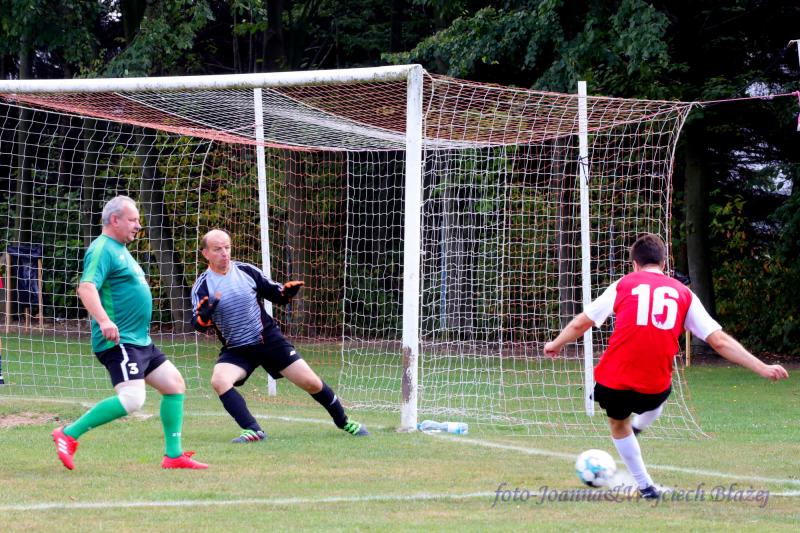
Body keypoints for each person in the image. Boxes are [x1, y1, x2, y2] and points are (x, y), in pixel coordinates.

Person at [544, 233, 788, 499]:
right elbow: (719, 341)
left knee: (618, 424)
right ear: (663, 263)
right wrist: (762, 367)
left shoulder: (624, 284)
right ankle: (638, 428)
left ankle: (645, 485)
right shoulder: (684, 294)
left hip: (613, 380)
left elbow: (582, 323)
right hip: (654, 386)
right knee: (661, 394)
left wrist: (556, 344)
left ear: (634, 264)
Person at [52, 195, 208, 470]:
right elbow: (86, 287)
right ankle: (68, 433)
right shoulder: (103, 248)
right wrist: (104, 321)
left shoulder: (121, 250)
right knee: (133, 399)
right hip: (119, 341)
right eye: (133, 220)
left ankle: (173, 456)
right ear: (115, 220)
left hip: (140, 341)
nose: (138, 225)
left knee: (174, 385)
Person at [191, 229, 369, 442]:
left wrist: (286, 293)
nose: (224, 253)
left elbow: (275, 293)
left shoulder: (246, 271)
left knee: (312, 383)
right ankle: (253, 430)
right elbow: (198, 324)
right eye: (217, 249)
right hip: (237, 349)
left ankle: (344, 421)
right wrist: (204, 317)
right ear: (205, 253)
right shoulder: (203, 286)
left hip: (268, 340)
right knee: (219, 380)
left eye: (227, 247)